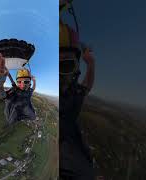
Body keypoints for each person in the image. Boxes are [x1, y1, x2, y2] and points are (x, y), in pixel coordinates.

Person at [60, 23, 96, 180]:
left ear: (75, 69)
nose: (58, 75)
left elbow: (85, 89)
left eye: (65, 65)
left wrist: (91, 65)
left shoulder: (72, 94)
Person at [0, 52, 37, 125]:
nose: (22, 84)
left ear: (29, 82)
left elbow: (33, 88)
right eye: (19, 81)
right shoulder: (14, 90)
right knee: (11, 121)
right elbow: (4, 96)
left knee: (33, 116)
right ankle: (17, 118)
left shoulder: (29, 91)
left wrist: (34, 81)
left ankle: (19, 117)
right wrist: (0, 87)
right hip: (14, 111)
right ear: (17, 82)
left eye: (25, 81)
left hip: (25, 109)